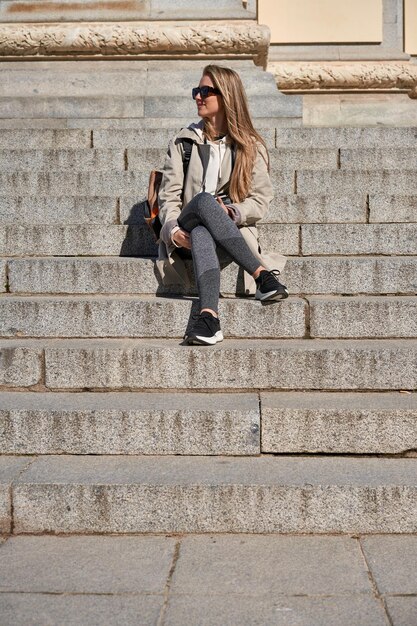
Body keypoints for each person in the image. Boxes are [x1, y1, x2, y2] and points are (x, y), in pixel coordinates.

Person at [157, 64, 288, 346]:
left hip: (221, 237)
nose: (198, 97)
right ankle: (262, 276)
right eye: (196, 91)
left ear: (227, 96)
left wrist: (232, 211)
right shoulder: (183, 142)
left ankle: (209, 318)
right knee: (203, 202)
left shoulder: (250, 146)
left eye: (206, 91)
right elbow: (168, 197)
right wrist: (172, 231)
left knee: (205, 229)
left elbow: (260, 201)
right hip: (185, 229)